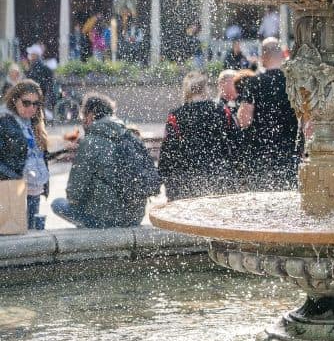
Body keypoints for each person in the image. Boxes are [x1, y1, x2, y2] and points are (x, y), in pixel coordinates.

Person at [51, 93, 159, 228]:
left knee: (57, 204)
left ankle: (90, 230)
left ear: (90, 115)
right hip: (135, 217)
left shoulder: (90, 142)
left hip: (104, 220)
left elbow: (74, 193)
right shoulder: (131, 135)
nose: (83, 120)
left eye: (83, 116)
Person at [158, 72, 236, 199]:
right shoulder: (221, 110)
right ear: (205, 88)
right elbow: (234, 142)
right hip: (218, 175)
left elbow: (168, 150)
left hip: (186, 178)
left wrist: (163, 179)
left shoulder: (176, 115)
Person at [236, 38, 300, 190]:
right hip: (290, 153)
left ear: (263, 56)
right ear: (283, 55)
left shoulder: (254, 82)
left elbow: (244, 120)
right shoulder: (295, 82)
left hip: (261, 154)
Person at [0, 80, 49, 230]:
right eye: (26, 102)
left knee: (31, 233)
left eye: (36, 104)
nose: (32, 107)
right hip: (13, 189)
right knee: (14, 235)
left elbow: (36, 154)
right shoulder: (4, 121)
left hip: (35, 188)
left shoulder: (34, 123)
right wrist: (15, 178)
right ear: (15, 100)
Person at [25, 44, 56, 115]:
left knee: (38, 113)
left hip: (39, 93)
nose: (30, 56)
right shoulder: (36, 66)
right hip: (38, 93)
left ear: (36, 55)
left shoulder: (38, 67)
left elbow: (46, 82)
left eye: (32, 54)